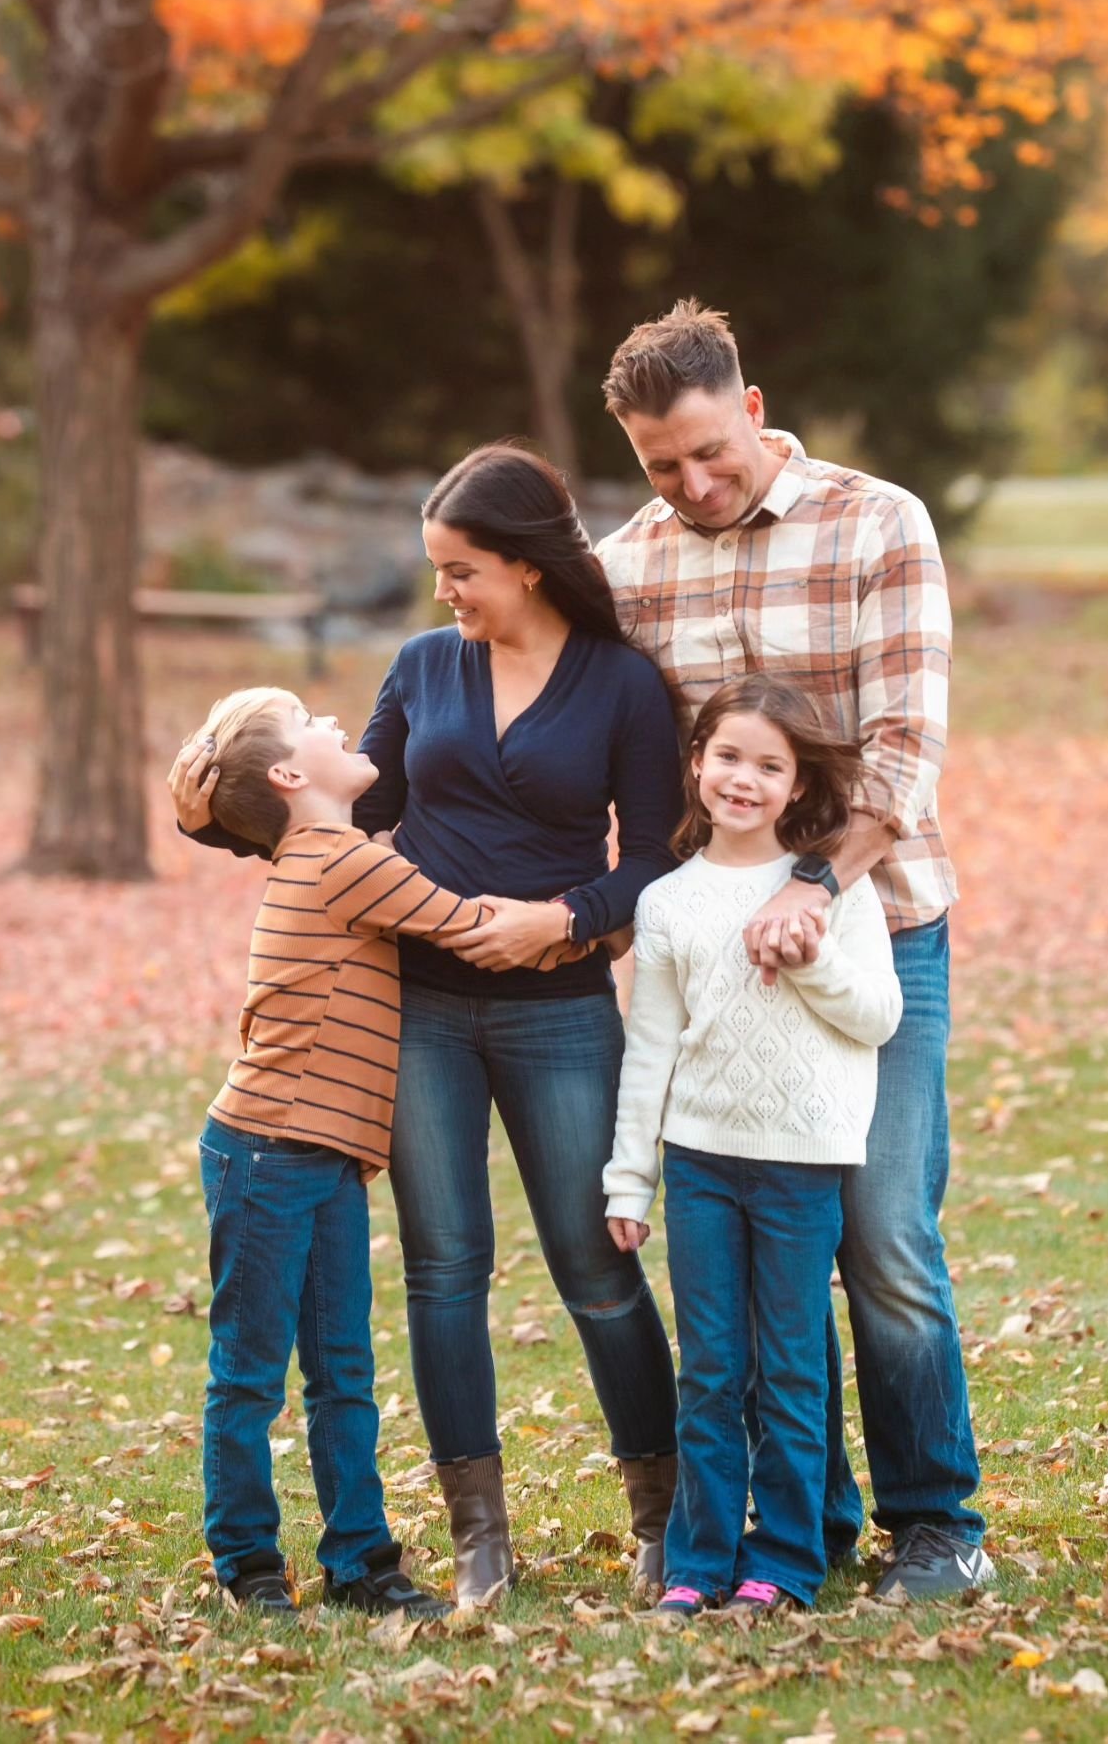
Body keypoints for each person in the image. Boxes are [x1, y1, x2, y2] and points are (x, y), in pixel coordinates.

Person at [170, 445, 682, 1604]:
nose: (446, 591)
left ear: (530, 564)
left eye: (462, 570)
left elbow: (650, 857)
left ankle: (662, 1512)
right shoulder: (423, 666)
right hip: (426, 1013)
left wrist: (561, 919)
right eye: (438, 571)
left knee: (596, 1263)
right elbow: (353, 802)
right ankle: (479, 1536)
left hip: (559, 1012)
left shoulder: (621, 685)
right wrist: (229, 795)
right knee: (445, 1270)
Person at [595, 300, 993, 1597]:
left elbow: (905, 753)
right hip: (721, 962)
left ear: (753, 408)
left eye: (711, 449)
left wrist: (818, 887)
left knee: (877, 1231)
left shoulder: (879, 522)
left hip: (883, 928)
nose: (695, 483)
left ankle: (938, 1521)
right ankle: (802, 1517)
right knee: (762, 1251)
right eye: (664, 464)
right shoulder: (630, 567)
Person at [184, 685, 486, 1618]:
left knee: (343, 1368)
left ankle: (360, 1562)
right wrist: (590, 913)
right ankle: (247, 1562)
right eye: (314, 722)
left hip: (319, 1158)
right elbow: (470, 923)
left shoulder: (337, 855)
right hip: (266, 1153)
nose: (336, 725)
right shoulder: (337, 861)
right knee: (249, 1370)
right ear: (287, 775)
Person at [604, 677, 902, 1615]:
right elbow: (650, 1047)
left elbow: (881, 1018)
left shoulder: (831, 890)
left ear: (796, 781)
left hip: (800, 1163)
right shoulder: (666, 902)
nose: (743, 778)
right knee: (713, 1368)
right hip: (698, 1162)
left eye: (769, 765)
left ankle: (785, 1559)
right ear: (696, 764)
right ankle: (697, 1562)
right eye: (728, 756)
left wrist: (811, 956)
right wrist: (630, 1180)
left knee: (789, 1368)